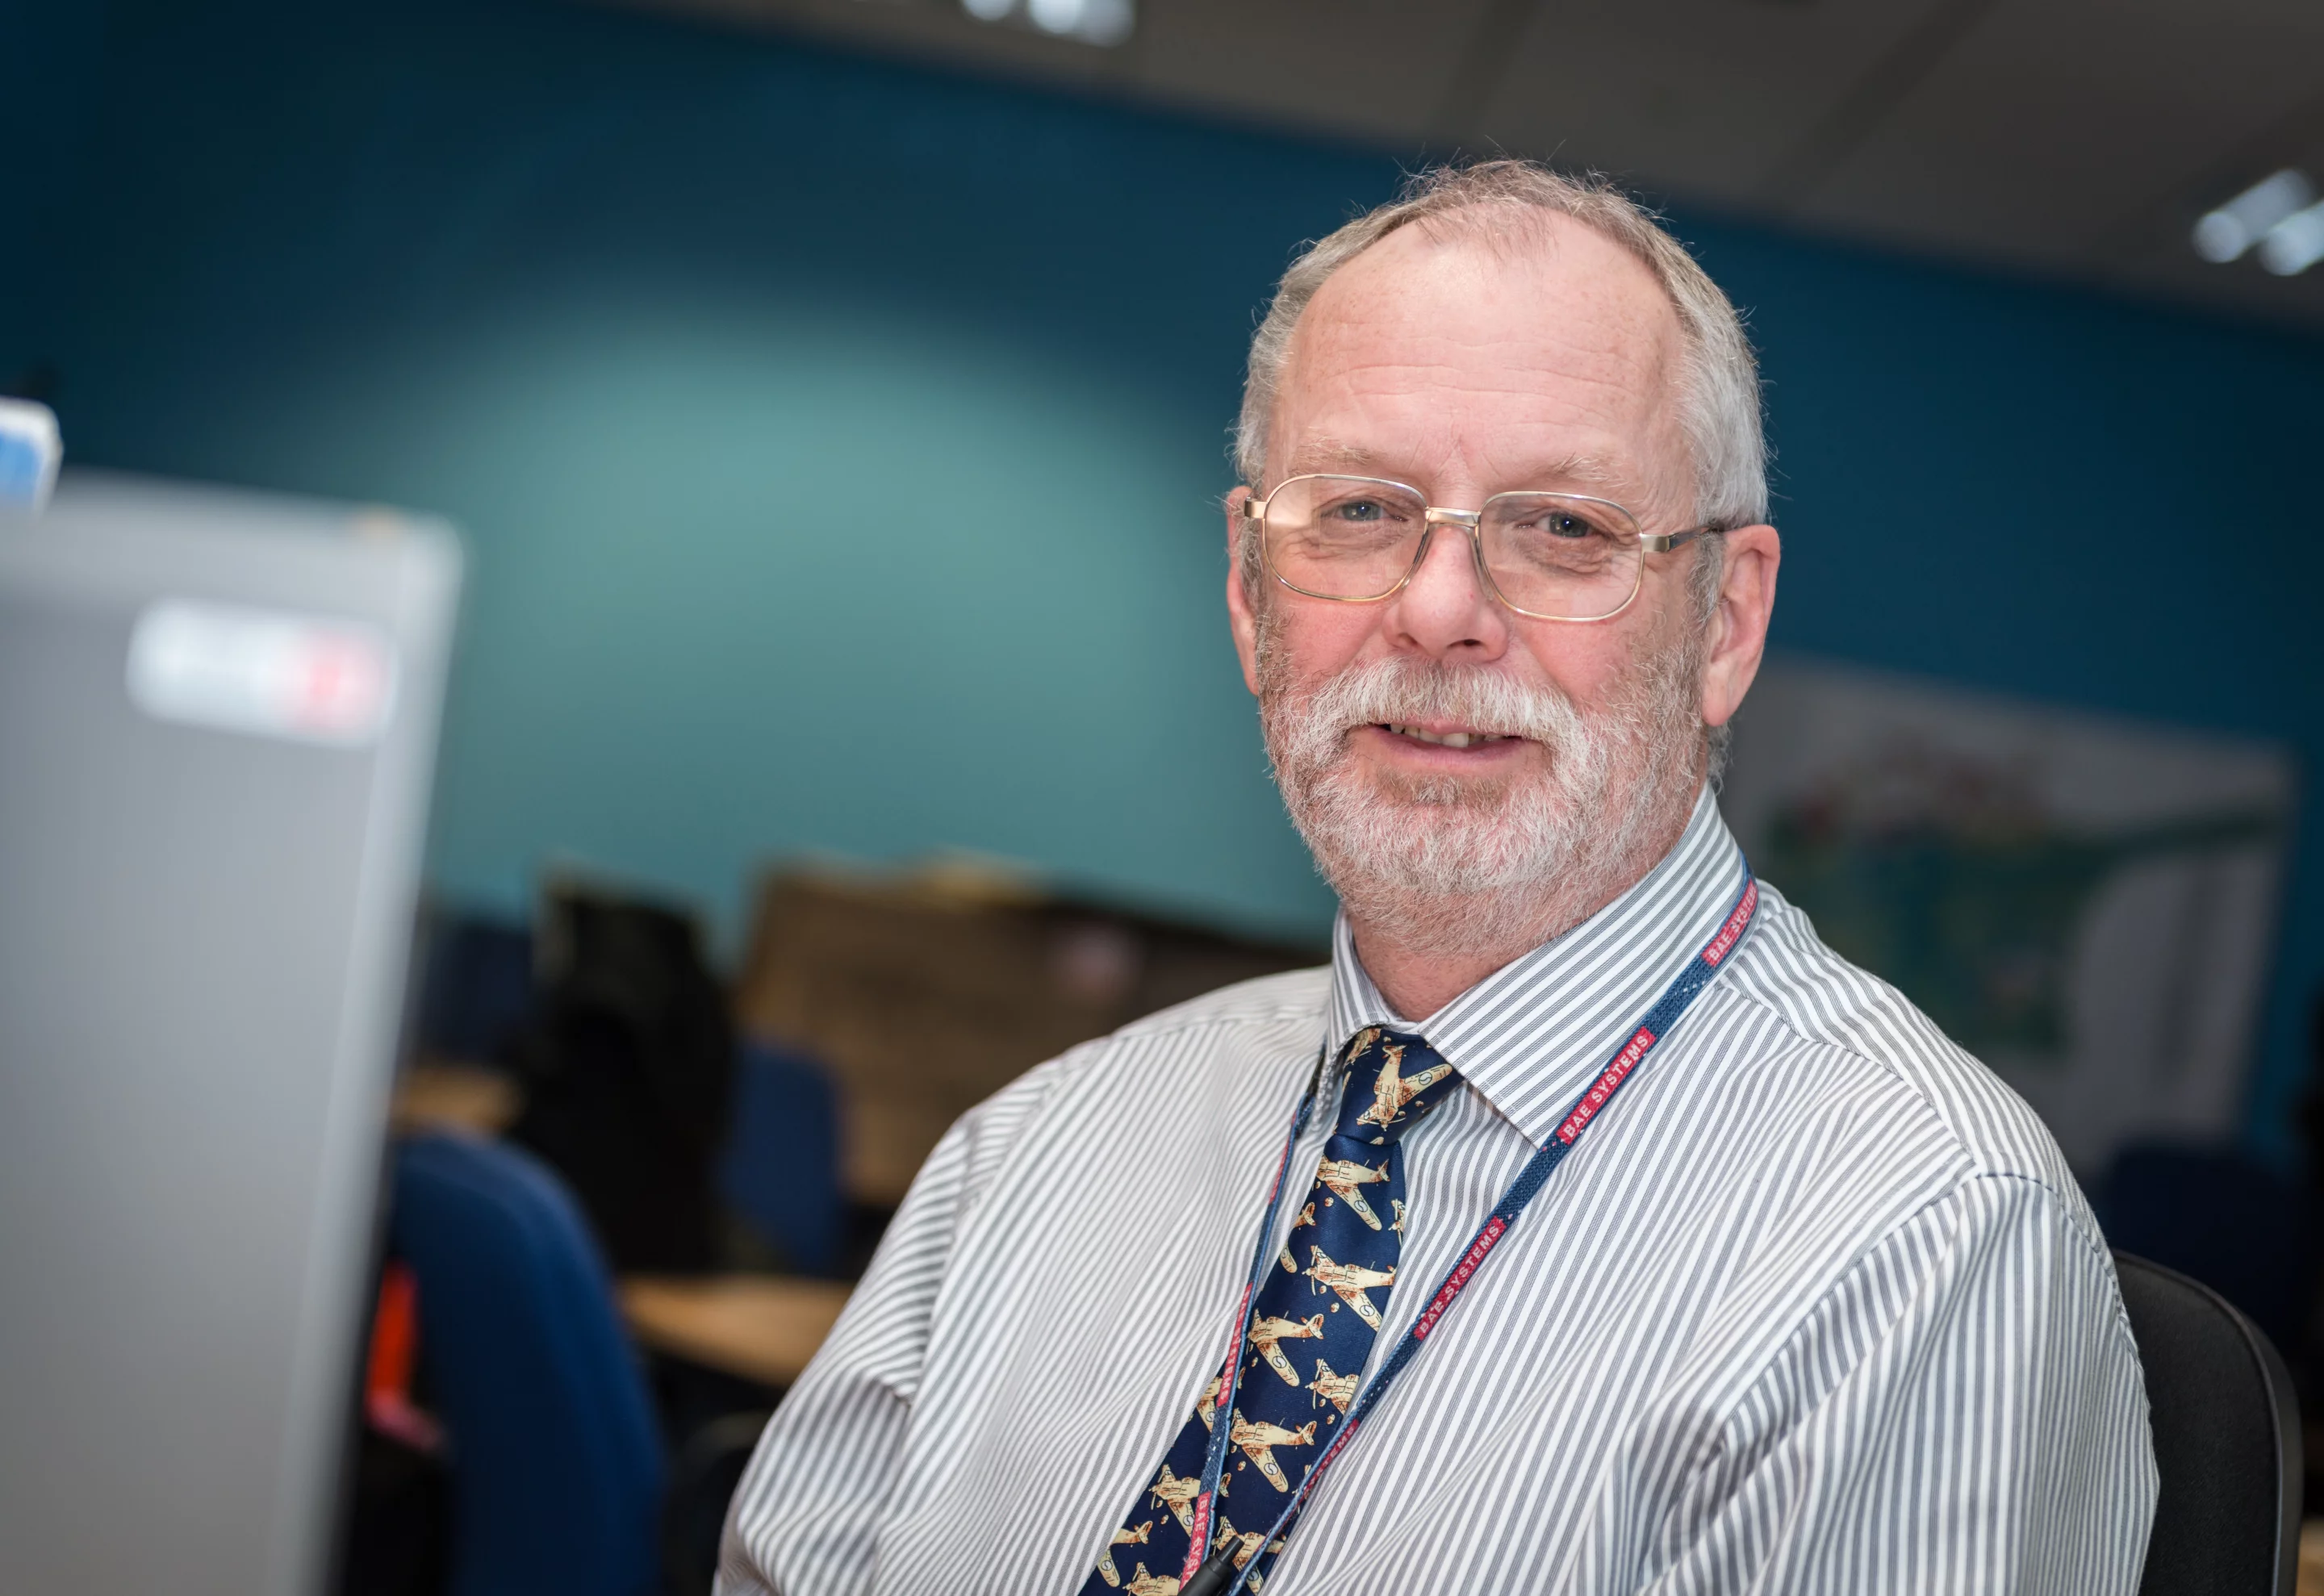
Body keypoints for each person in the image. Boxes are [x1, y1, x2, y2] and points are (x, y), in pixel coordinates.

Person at [718, 161, 2155, 1596]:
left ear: (1726, 621)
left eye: (1566, 527)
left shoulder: (1920, 1238)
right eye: (1357, 511)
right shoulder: (1031, 1158)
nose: (1440, 609)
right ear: (1246, 591)